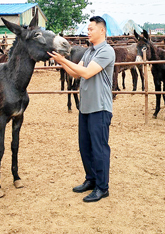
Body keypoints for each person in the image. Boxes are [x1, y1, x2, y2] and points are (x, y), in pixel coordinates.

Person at [48, 16, 115, 203]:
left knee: (99, 148)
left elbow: (86, 73)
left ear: (102, 30)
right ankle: (91, 179)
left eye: (91, 28)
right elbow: (75, 72)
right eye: (88, 28)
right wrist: (60, 61)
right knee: (85, 147)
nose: (88, 31)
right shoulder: (89, 52)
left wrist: (63, 59)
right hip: (86, 107)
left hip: (99, 108)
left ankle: (103, 187)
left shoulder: (106, 51)